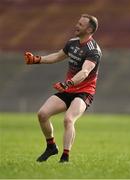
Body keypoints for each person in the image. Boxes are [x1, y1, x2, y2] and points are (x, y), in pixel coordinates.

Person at [24, 14, 102, 163]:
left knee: (68, 119)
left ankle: (65, 157)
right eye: (77, 22)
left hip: (84, 92)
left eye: (80, 24)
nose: (76, 25)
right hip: (68, 90)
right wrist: (37, 59)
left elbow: (85, 72)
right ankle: (51, 147)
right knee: (42, 114)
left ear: (90, 29)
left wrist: (68, 84)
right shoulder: (72, 43)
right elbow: (57, 56)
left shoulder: (93, 50)